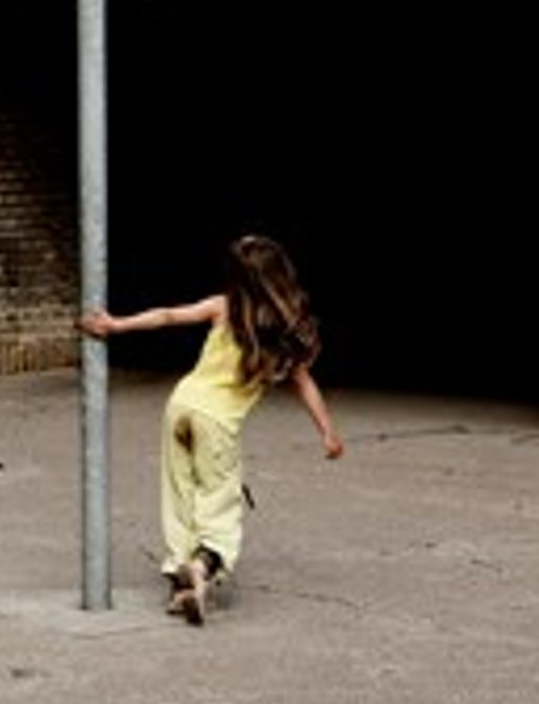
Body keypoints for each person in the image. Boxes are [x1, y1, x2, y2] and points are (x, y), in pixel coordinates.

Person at [80, 235, 344, 625]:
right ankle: (202, 568)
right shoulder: (285, 334)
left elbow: (168, 316)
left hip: (180, 406)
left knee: (180, 495)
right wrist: (327, 432)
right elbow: (304, 384)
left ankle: (182, 585)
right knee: (220, 503)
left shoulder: (223, 307)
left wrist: (115, 324)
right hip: (215, 423)